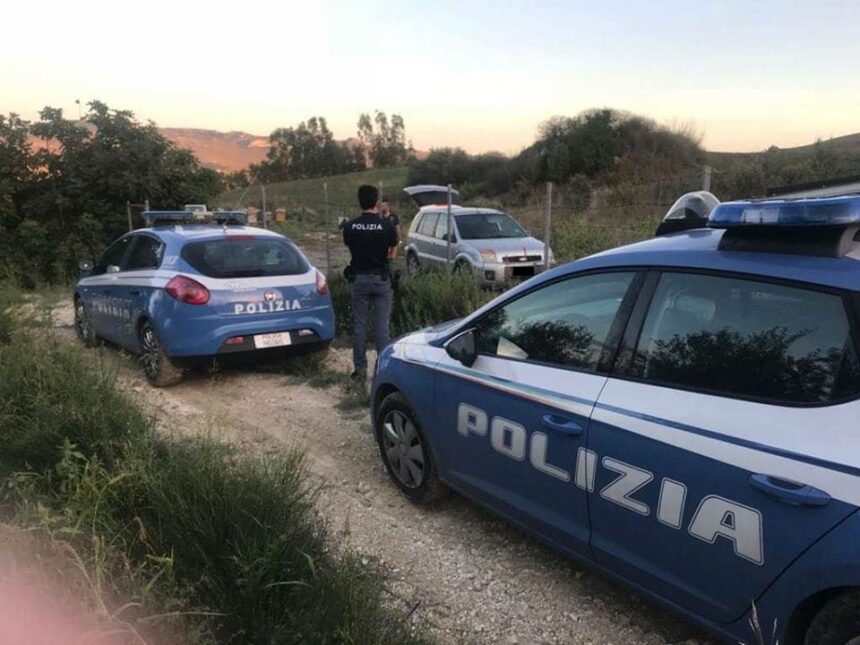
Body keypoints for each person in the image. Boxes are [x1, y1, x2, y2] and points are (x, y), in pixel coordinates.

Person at [343, 185, 398, 380]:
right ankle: (384, 371)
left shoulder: (350, 227)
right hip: (381, 280)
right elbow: (393, 246)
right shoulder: (386, 225)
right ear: (377, 202)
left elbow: (349, 246)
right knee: (382, 328)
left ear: (360, 202)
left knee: (360, 326)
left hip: (359, 279)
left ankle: (360, 371)